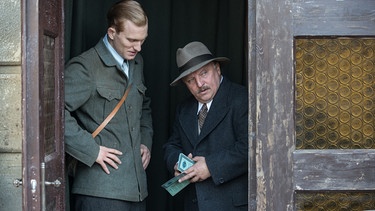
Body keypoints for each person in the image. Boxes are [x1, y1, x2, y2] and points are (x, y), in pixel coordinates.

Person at [64, 1, 153, 210]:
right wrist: (91, 150)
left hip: (137, 190)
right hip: (99, 192)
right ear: (112, 33)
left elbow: (145, 106)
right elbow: (52, 116)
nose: (138, 48)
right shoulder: (85, 67)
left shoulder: (137, 62)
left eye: (142, 40)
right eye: (132, 40)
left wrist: (145, 141)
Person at [163, 41, 248, 210]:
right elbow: (172, 145)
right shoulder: (184, 109)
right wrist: (176, 163)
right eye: (191, 80)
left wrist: (210, 166)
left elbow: (251, 149)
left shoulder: (242, 99)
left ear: (217, 68)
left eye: (204, 73)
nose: (199, 84)